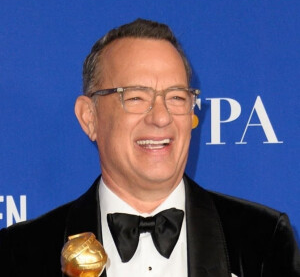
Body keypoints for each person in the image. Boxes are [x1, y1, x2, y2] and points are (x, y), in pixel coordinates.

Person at [0, 19, 299, 277]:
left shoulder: (262, 239)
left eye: (177, 97)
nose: (160, 117)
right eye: (135, 97)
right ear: (89, 117)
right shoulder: (22, 252)